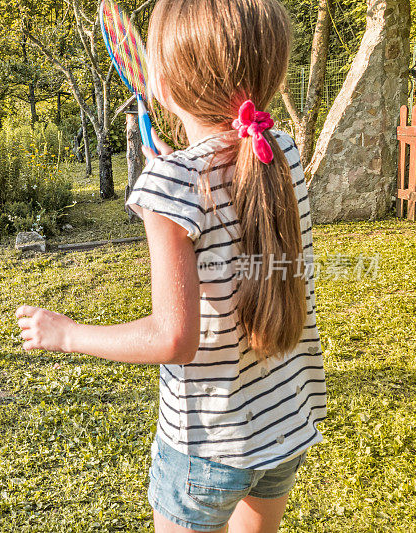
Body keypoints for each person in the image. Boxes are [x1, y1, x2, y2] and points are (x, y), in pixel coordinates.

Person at [16, 0, 326, 531]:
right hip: (286, 426)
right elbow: (227, 194)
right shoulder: (281, 150)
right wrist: (175, 172)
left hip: (206, 450)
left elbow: (173, 339)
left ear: (166, 75)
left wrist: (67, 334)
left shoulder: (169, 186)